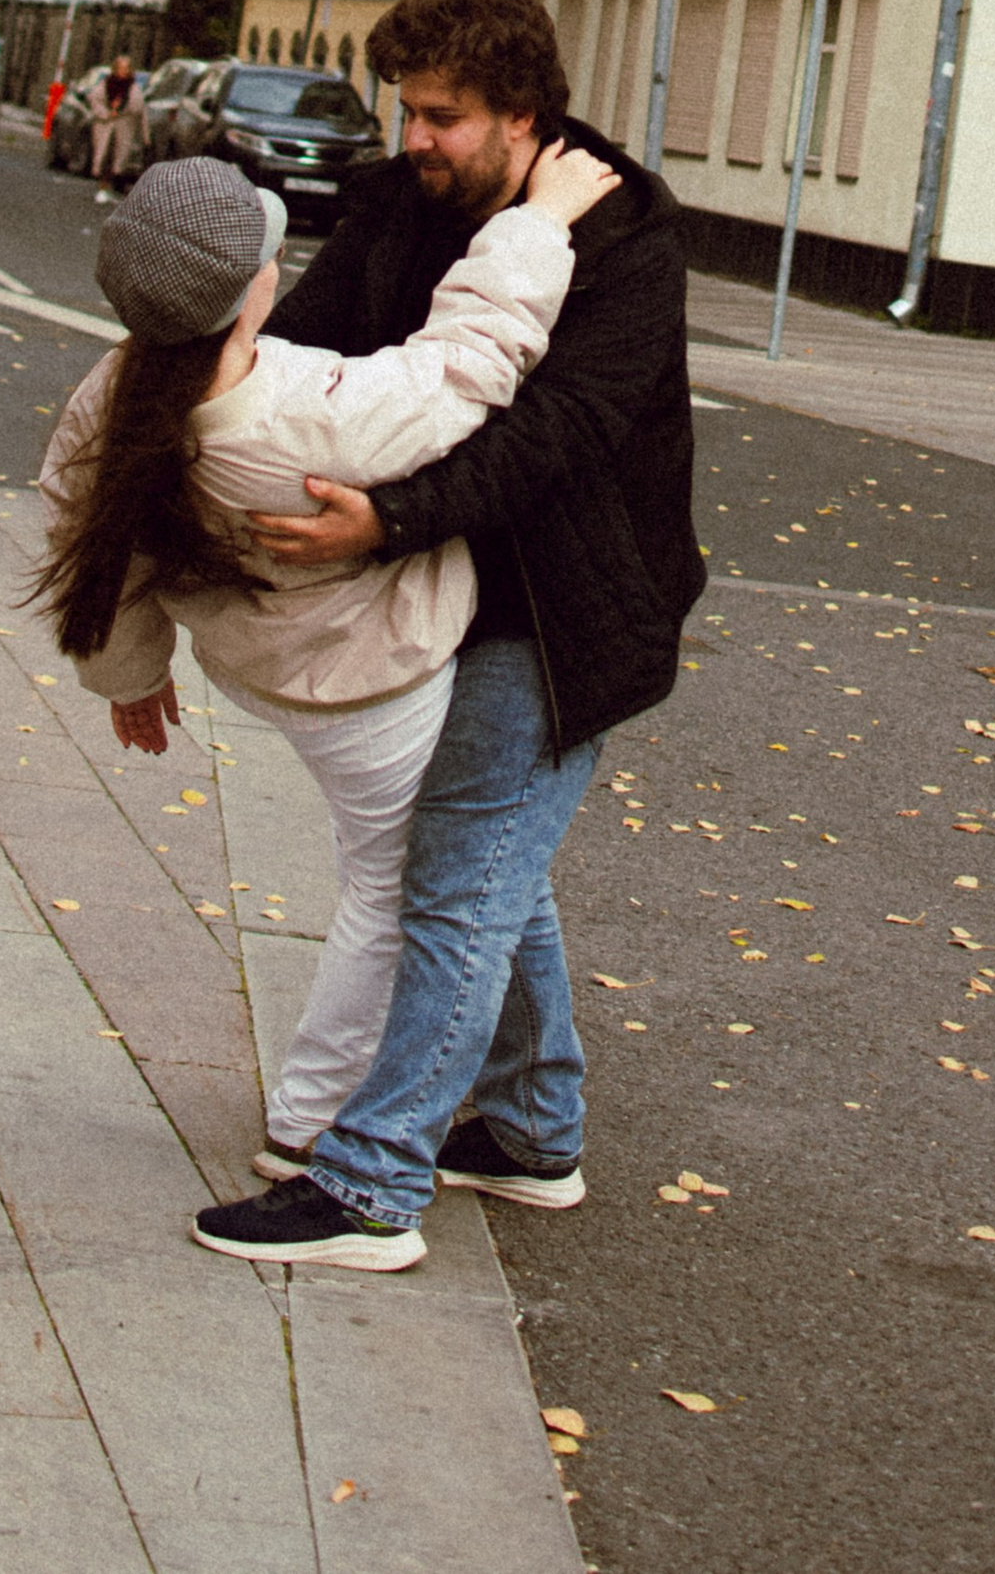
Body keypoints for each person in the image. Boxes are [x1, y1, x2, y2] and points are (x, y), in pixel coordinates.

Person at [190, 0, 699, 1274]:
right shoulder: (394, 201)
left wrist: (386, 519)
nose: (413, 136)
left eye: (443, 116)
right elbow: (302, 353)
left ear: (524, 115)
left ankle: (369, 1182)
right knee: (482, 855)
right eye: (406, 108)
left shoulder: (623, 228)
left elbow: (561, 431)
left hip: (569, 598)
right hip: (457, 584)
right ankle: (533, 1127)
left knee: (458, 874)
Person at [33, 143, 620, 1256]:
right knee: (401, 891)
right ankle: (315, 1130)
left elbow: (86, 542)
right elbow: (465, 362)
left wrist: (131, 675)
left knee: (491, 869)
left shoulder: (114, 396)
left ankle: (538, 1124)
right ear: (255, 285)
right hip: (378, 681)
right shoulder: (309, 410)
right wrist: (539, 220)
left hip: (267, 672)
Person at [89, 52, 142, 200]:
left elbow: (137, 105)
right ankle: (102, 185)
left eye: (127, 68)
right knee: (104, 155)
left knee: (118, 157)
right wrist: (106, 113)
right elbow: (95, 99)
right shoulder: (107, 83)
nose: (124, 71)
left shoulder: (133, 86)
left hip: (123, 127)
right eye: (121, 68)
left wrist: (120, 110)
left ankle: (110, 185)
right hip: (105, 126)